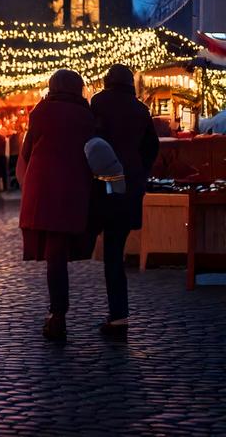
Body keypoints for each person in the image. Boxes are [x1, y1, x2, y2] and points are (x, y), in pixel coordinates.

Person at [17, 69, 96, 341]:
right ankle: (58, 312)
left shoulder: (41, 112)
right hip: (74, 188)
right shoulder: (87, 116)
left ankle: (57, 314)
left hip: (44, 189)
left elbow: (27, 152)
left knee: (54, 256)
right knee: (59, 252)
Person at [90, 64, 159, 336]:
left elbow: (90, 140)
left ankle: (61, 311)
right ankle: (118, 314)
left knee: (101, 248)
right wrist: (139, 170)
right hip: (129, 187)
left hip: (102, 184)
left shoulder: (99, 103)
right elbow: (151, 147)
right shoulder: (140, 109)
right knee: (115, 251)